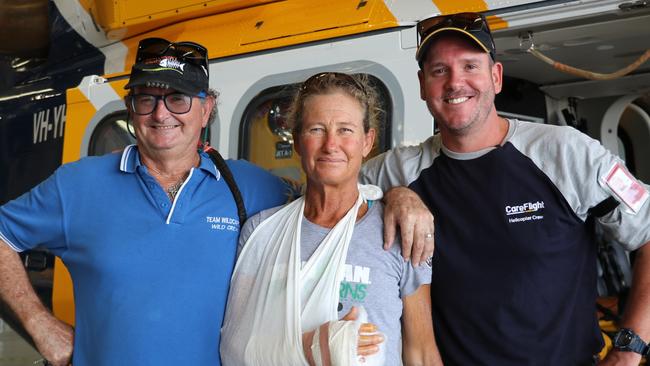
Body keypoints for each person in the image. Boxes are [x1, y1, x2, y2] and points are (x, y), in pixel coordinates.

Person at [361, 12, 650, 365]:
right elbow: (326, 195)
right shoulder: (399, 171)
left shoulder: (566, 152)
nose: (455, 83)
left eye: (470, 66)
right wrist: (393, 194)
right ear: (423, 85)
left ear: (496, 77)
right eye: (440, 71)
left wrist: (629, 349)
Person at [0, 38, 292, 366]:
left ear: (206, 109)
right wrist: (40, 323)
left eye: (177, 99)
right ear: (130, 108)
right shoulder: (79, 185)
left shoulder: (251, 186)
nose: (160, 113)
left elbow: (326, 213)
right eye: (146, 99)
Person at [220, 72, 442, 365]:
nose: (331, 145)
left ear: (367, 141)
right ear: (298, 142)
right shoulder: (261, 231)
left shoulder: (399, 231)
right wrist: (314, 345)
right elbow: (237, 348)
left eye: (346, 130)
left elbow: (422, 353)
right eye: (316, 129)